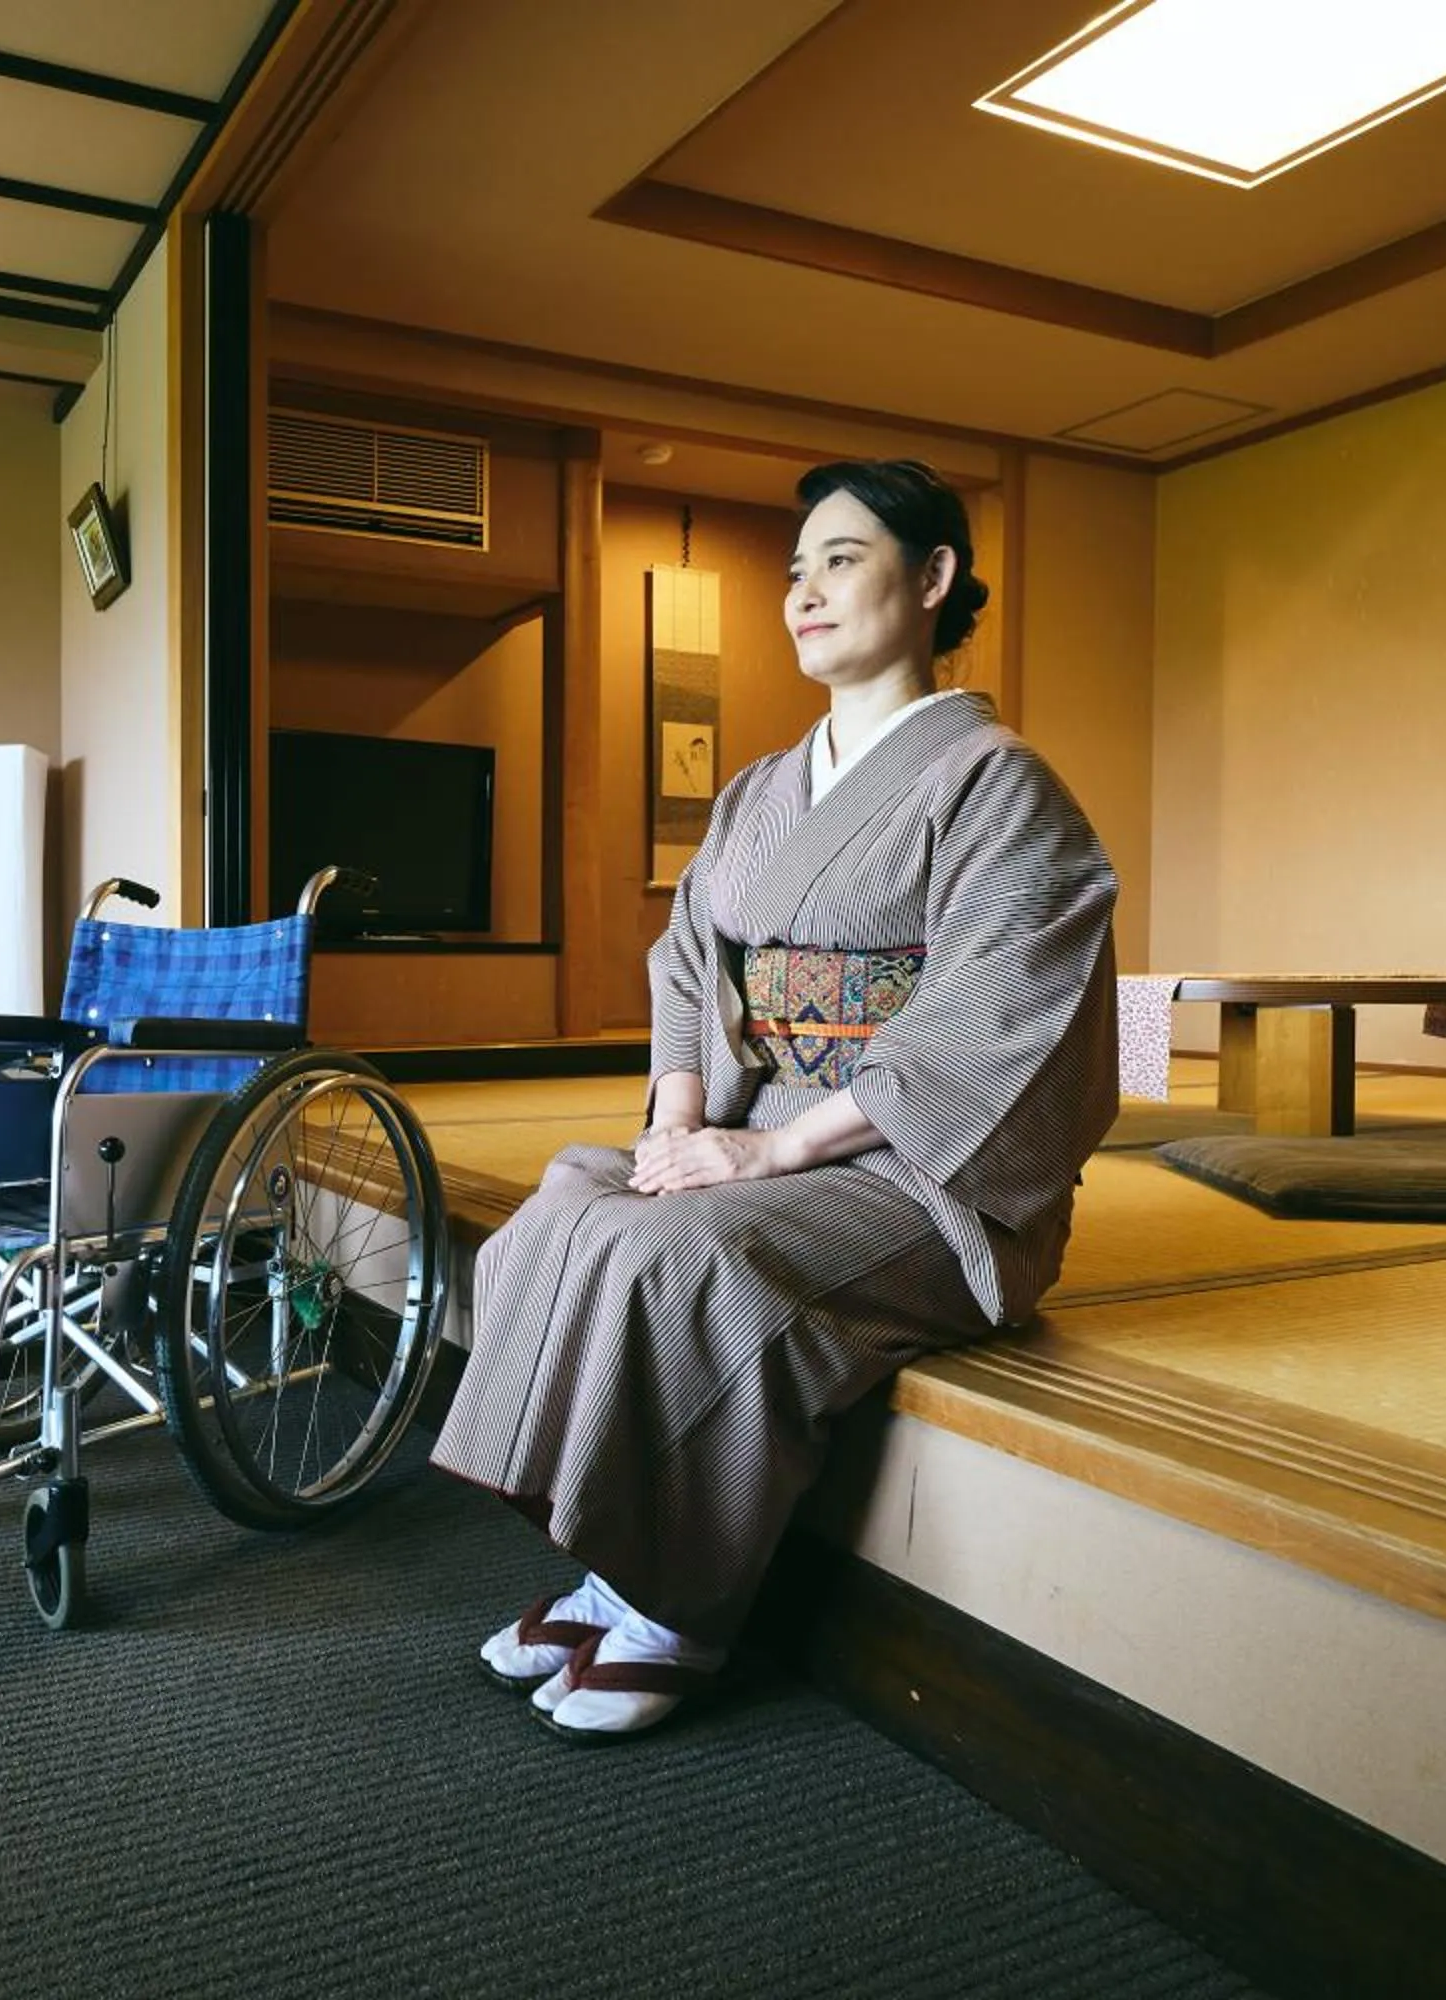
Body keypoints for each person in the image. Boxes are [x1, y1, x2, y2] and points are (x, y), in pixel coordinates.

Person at [432, 458, 1119, 1741]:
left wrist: (775, 1148)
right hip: (764, 1133)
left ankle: (680, 1604)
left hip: (926, 1170)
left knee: (682, 1254)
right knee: (577, 1200)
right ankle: (619, 1556)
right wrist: (686, 1113)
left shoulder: (1002, 786)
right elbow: (691, 954)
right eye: (794, 566)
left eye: (841, 558)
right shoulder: (758, 789)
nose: (804, 589)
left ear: (933, 578)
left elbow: (999, 1011)